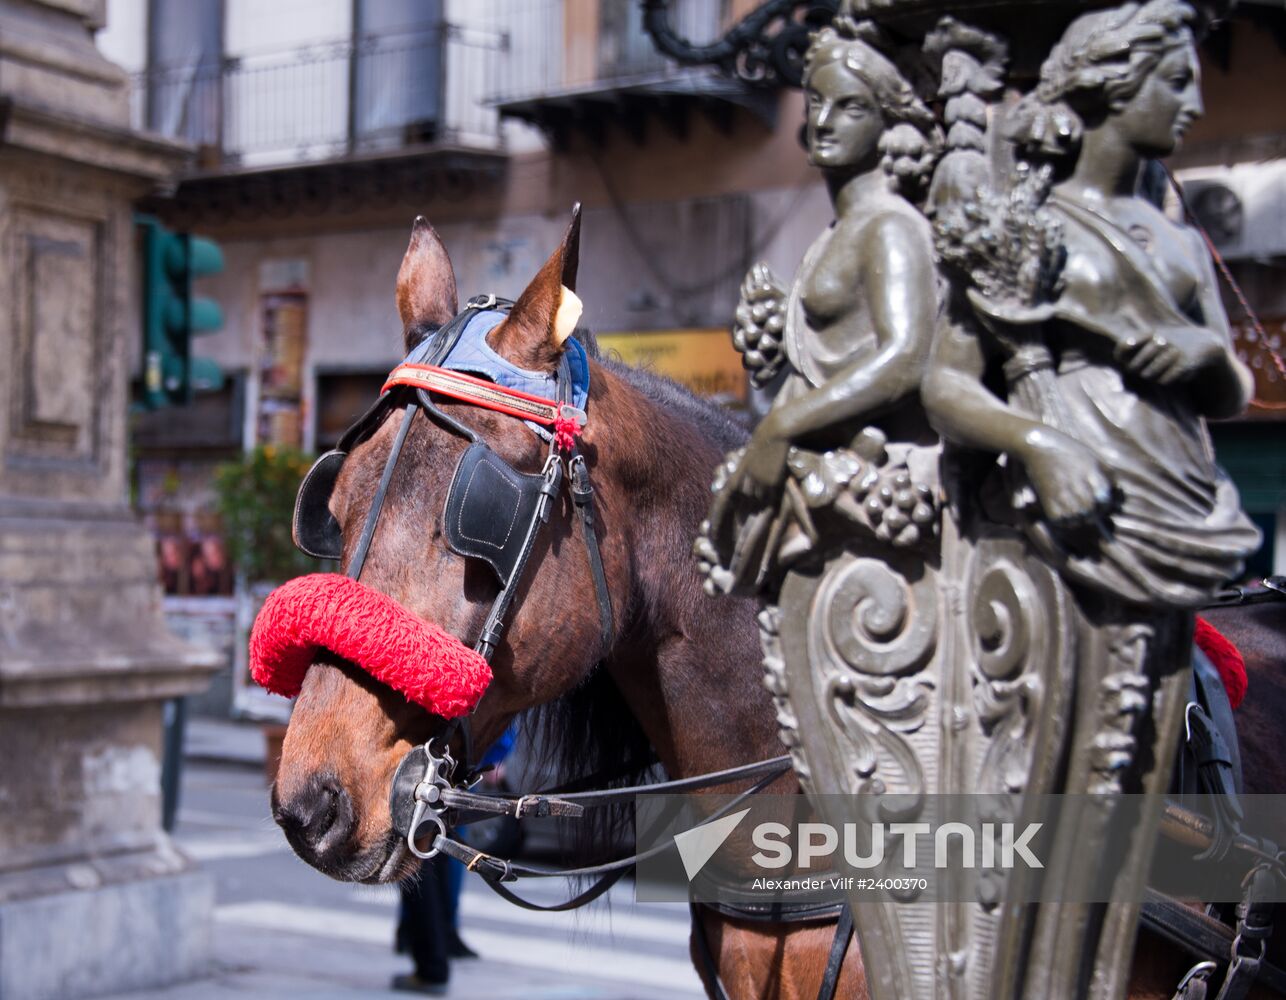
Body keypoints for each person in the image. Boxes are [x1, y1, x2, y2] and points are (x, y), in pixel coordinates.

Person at [923, 0, 1260, 607]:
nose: (1197, 107)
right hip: (1077, 491)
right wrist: (1038, 444)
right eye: (1177, 83)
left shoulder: (1182, 243)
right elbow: (947, 383)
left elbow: (1233, 392)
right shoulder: (1025, 228)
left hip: (1180, 490)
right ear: (1114, 82)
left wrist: (1206, 353)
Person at [705, 8, 943, 584]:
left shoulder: (890, 227)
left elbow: (906, 359)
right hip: (819, 469)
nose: (825, 120)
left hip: (863, 475)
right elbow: (838, 350)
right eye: (816, 102)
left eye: (851, 107)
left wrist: (781, 429)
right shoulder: (842, 231)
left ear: (889, 119)